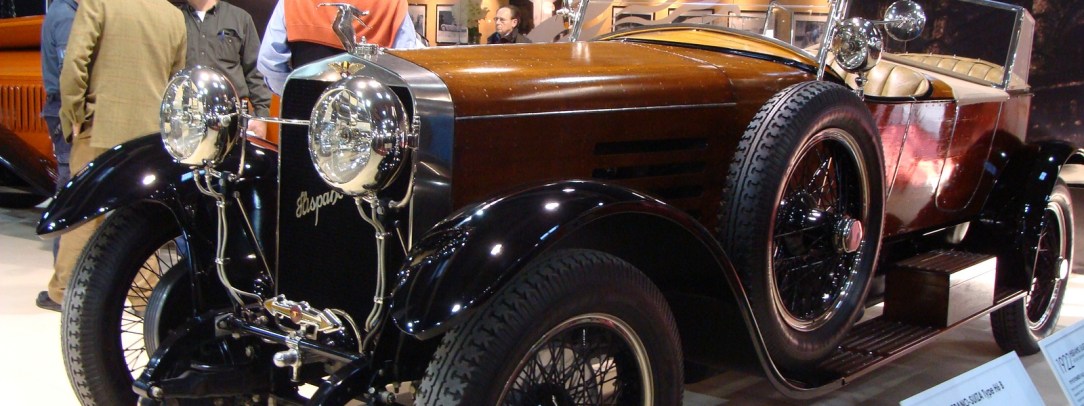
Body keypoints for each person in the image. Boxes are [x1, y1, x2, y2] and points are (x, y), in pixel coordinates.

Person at [36, 0, 186, 312]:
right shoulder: (172, 15)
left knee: (83, 213)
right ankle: (144, 296)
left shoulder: (98, 3)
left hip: (100, 125)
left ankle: (64, 290)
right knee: (139, 215)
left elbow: (74, 64)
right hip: (149, 135)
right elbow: (176, 81)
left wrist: (74, 114)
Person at [258, 0, 422, 95]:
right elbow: (409, 67)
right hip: (371, 120)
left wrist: (297, 97)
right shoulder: (391, 3)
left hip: (308, 116)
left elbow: (270, 63)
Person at [179, 0, 272, 138]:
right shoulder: (175, 19)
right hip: (186, 117)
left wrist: (261, 116)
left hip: (232, 118)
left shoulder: (241, 18)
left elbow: (256, 71)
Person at [40, 0, 77, 201]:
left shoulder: (61, 9)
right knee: (71, 172)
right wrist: (76, 113)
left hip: (61, 103)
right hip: (64, 105)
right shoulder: (66, 16)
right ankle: (63, 221)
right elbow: (69, 71)